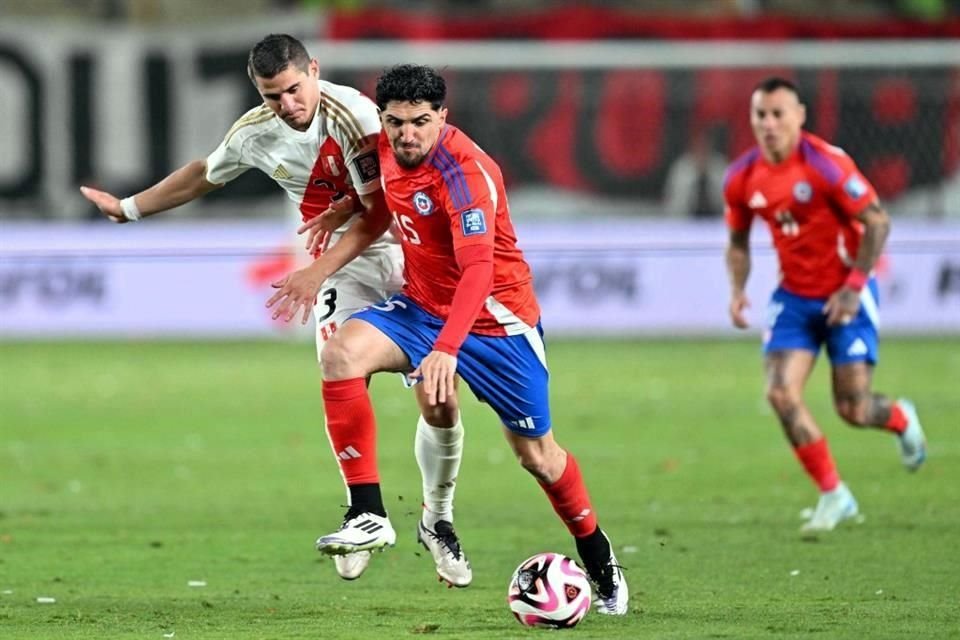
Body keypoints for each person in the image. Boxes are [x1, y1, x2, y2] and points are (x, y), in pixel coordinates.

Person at [78, 34, 472, 586]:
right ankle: (365, 509)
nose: (288, 104)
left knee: (440, 400)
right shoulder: (254, 134)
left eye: (293, 88)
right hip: (346, 269)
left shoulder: (354, 114)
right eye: (272, 96)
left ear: (314, 70)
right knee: (339, 366)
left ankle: (438, 519)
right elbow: (205, 173)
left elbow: (379, 212)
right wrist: (128, 208)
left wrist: (313, 269)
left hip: (410, 256)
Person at [266, 64, 628, 615]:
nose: (406, 135)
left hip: (498, 323)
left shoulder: (465, 172)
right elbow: (384, 200)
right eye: (395, 123)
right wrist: (340, 220)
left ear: (442, 117)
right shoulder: (380, 148)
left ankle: (599, 557)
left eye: (419, 122)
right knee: (340, 354)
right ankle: (368, 510)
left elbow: (479, 271)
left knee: (538, 458)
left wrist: (447, 348)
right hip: (420, 306)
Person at [722, 76, 928, 534]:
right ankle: (835, 494)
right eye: (761, 115)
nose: (769, 124)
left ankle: (899, 417)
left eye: (778, 114)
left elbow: (876, 223)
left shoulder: (827, 165)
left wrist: (855, 285)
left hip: (845, 293)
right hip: (793, 297)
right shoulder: (742, 177)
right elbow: (737, 242)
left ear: (799, 116)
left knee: (853, 409)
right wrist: (738, 290)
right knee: (780, 393)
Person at [662, 129, 728, 219]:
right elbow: (672, 200)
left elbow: (730, 200)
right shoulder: (681, 167)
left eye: (705, 147)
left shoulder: (721, 166)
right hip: (685, 220)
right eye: (699, 147)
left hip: (716, 220)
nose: (701, 150)